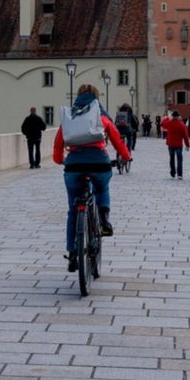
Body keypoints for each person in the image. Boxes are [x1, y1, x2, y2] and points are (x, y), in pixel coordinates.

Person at [52, 83, 132, 269]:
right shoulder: (99, 115)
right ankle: (104, 219)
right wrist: (126, 157)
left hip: (74, 166)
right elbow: (116, 138)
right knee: (102, 186)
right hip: (98, 162)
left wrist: (60, 160)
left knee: (73, 209)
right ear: (97, 98)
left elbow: (57, 146)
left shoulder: (70, 117)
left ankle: (73, 252)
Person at [161, 108, 190, 178]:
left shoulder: (169, 122)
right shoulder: (181, 124)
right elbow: (185, 135)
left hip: (171, 143)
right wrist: (187, 145)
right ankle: (179, 174)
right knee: (179, 158)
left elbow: (162, 124)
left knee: (172, 158)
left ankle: (173, 172)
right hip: (178, 144)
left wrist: (168, 117)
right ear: (178, 116)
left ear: (173, 116)